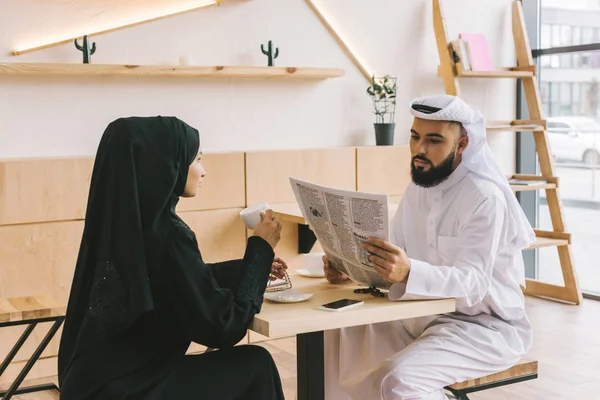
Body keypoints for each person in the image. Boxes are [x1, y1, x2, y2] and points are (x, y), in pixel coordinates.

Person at [57, 116, 287, 400]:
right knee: (256, 365)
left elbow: (176, 279)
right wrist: (261, 247)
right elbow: (223, 326)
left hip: (89, 385)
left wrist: (250, 268)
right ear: (167, 164)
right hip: (132, 388)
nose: (203, 172)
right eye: (197, 159)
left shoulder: (120, 225)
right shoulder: (167, 233)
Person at [322, 94, 535, 400]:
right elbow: (395, 257)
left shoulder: (484, 198)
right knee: (337, 334)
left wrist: (409, 272)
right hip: (420, 316)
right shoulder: (416, 189)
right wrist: (352, 268)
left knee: (395, 381)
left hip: (482, 328)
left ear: (462, 145)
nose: (420, 149)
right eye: (414, 137)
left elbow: (474, 283)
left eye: (433, 140)